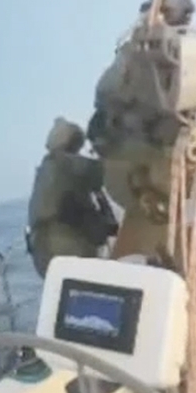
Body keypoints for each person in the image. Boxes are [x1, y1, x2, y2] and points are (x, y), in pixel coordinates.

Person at [27, 118, 119, 278]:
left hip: (43, 254)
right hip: (65, 248)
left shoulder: (47, 167)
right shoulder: (65, 163)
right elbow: (106, 172)